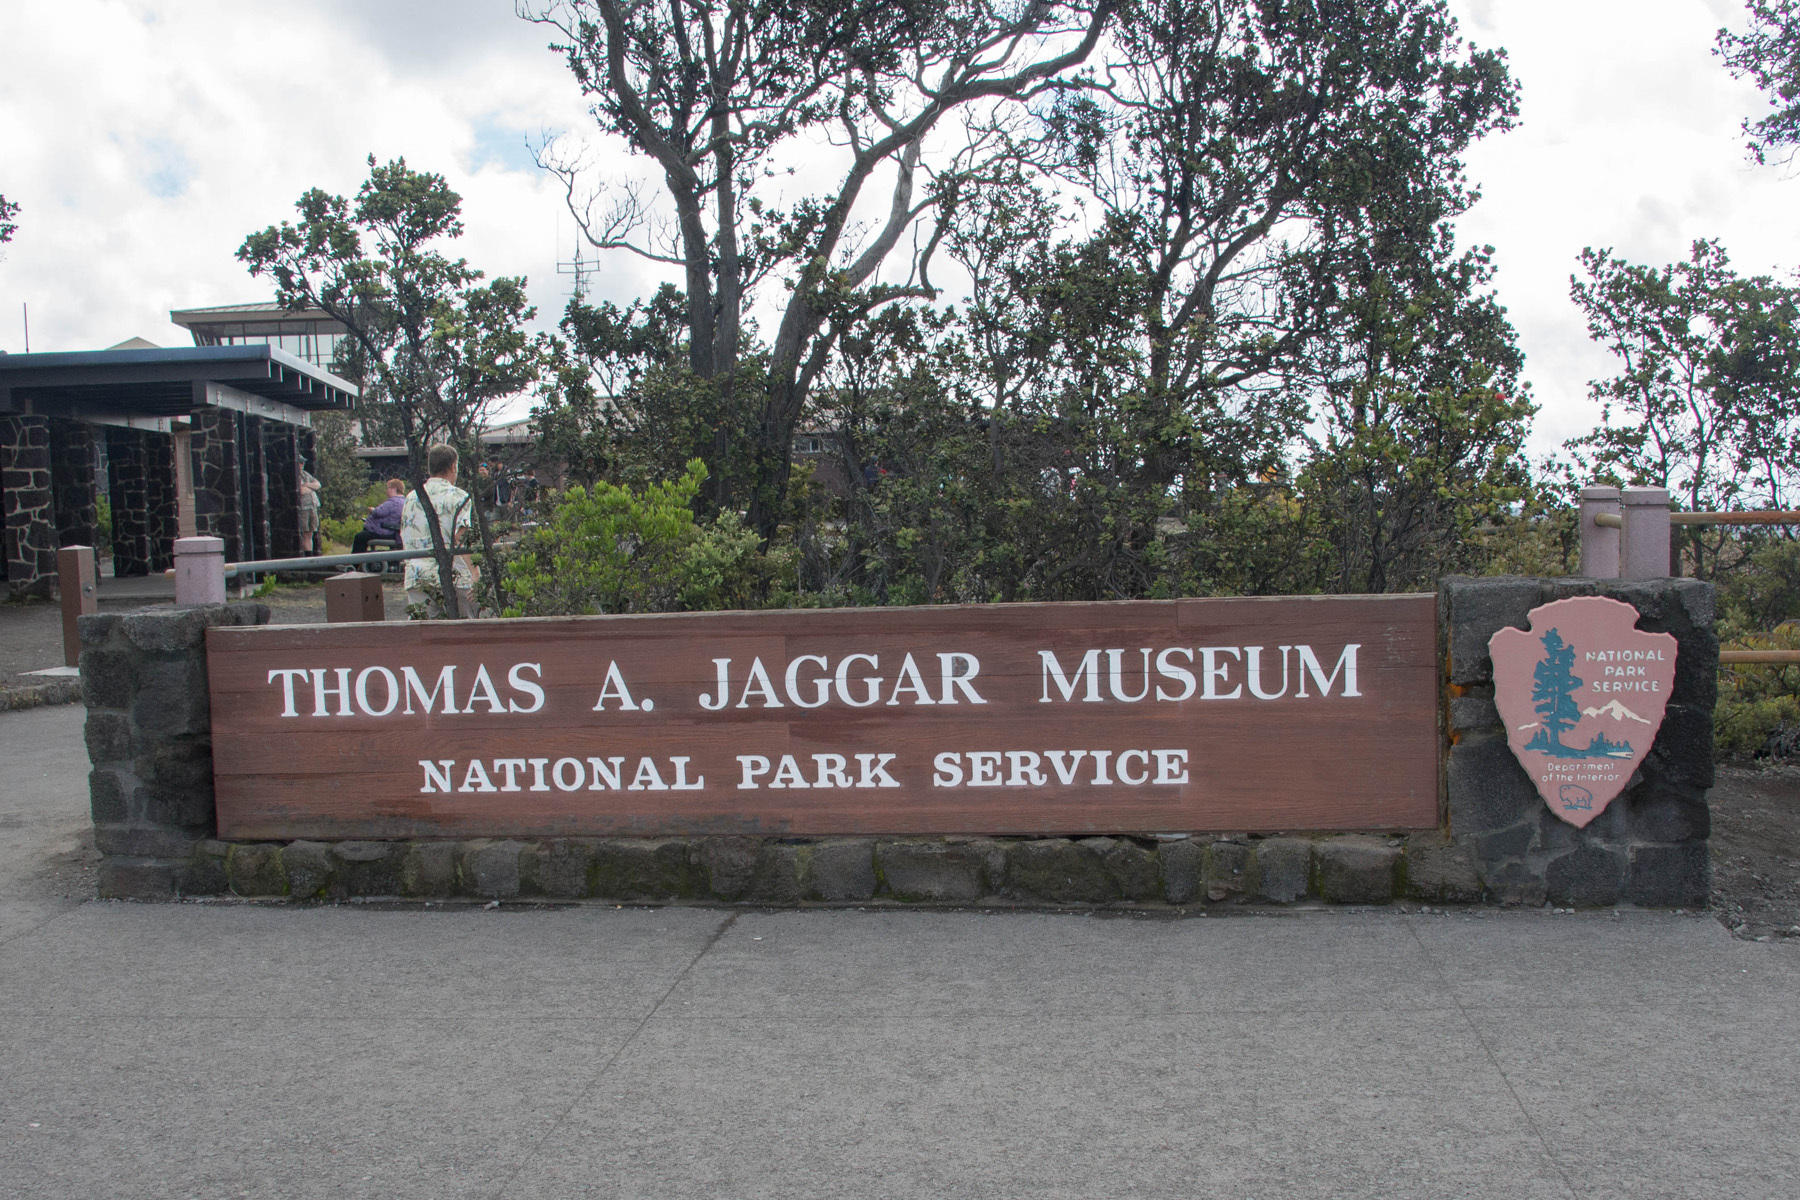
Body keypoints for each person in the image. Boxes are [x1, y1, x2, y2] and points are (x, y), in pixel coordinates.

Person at [400, 444, 477, 618]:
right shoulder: (458, 496)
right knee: (462, 633)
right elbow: (461, 537)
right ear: (453, 466)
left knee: (424, 635)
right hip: (452, 576)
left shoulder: (411, 497)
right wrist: (475, 572)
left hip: (417, 574)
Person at [352, 478, 406, 555]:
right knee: (363, 535)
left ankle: (355, 563)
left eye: (387, 488)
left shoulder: (393, 502)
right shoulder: (404, 501)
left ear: (394, 489)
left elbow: (379, 512)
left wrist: (372, 510)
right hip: (394, 532)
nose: (386, 491)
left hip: (386, 531)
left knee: (360, 537)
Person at [298, 464, 322, 556]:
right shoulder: (296, 476)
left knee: (311, 533)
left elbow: (318, 485)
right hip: (304, 508)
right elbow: (301, 491)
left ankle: (310, 555)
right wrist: (312, 489)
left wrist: (307, 485)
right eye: (300, 462)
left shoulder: (306, 474)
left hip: (313, 506)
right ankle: (308, 556)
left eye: (303, 462)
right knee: (305, 533)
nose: (302, 465)